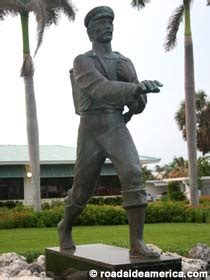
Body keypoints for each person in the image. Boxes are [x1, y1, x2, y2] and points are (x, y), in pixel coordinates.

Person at [58, 6, 162, 258]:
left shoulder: (124, 62)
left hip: (115, 125)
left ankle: (136, 242)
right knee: (82, 189)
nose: (107, 26)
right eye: (101, 23)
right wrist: (133, 89)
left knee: (133, 173)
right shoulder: (83, 61)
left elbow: (137, 106)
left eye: (109, 23)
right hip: (91, 129)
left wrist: (137, 92)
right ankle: (65, 226)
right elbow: (100, 88)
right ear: (90, 31)